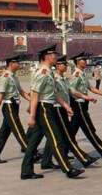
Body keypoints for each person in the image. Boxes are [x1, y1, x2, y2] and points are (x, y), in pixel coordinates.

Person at [20, 44, 83, 179]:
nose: (56, 57)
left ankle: (26, 171)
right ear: (47, 56)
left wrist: (65, 106)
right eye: (54, 55)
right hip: (44, 108)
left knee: (34, 142)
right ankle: (68, 169)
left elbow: (54, 93)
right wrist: (32, 116)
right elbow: (35, 95)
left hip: (48, 107)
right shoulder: (42, 73)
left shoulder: (49, 72)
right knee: (56, 139)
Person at [40, 56, 98, 170]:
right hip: (57, 108)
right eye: (64, 65)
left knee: (58, 136)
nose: (66, 66)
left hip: (62, 108)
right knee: (65, 136)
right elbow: (50, 93)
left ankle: (46, 161)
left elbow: (72, 91)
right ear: (58, 66)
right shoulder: (55, 78)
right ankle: (83, 159)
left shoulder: (63, 78)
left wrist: (86, 97)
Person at [68, 52, 102, 158]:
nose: (85, 62)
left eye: (85, 60)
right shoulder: (76, 74)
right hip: (78, 104)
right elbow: (72, 90)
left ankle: (62, 150)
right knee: (89, 129)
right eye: (83, 60)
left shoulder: (82, 74)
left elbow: (91, 88)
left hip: (83, 104)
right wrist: (86, 97)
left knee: (72, 130)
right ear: (77, 62)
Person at [0, 54, 31, 164]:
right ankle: (31, 152)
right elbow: (0, 95)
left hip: (14, 106)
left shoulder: (14, 76)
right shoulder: (5, 77)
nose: (19, 64)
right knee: (19, 130)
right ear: (11, 64)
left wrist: (32, 101)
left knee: (4, 133)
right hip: (9, 106)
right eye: (17, 63)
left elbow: (21, 91)